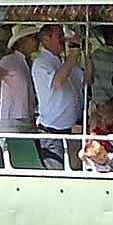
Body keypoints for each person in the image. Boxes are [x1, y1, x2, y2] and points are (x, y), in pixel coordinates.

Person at [29, 24, 86, 169]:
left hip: (72, 129)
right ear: (46, 39)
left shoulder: (61, 61)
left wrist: (86, 55)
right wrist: (72, 56)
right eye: (59, 37)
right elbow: (57, 82)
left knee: (75, 171)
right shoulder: (41, 63)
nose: (63, 41)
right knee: (56, 173)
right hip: (52, 131)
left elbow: (87, 80)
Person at [0, 25, 39, 135]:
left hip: (29, 121)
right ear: (22, 41)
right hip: (12, 122)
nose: (37, 40)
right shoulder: (9, 61)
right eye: (34, 37)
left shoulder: (31, 63)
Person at [79, 98, 113, 172]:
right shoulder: (93, 163)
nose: (103, 120)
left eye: (105, 117)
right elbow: (81, 155)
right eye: (100, 117)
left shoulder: (109, 157)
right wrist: (89, 151)